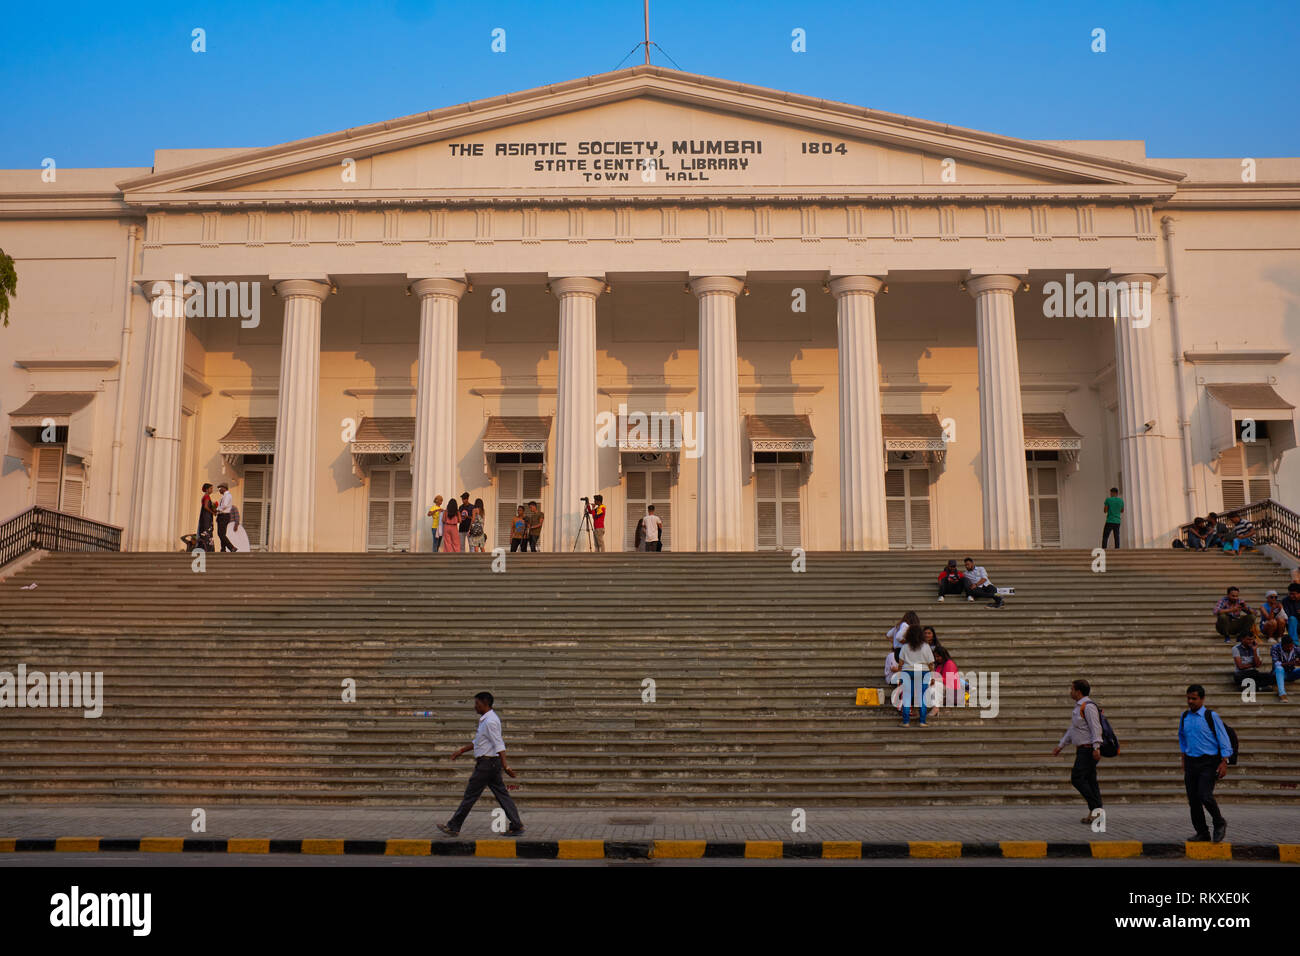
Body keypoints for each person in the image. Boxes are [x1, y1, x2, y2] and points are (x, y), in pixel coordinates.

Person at [437, 692, 524, 837]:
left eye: (477, 703)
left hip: (487, 764)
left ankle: (453, 826)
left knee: (470, 795)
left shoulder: (490, 721)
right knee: (502, 795)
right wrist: (461, 751)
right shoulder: (486, 720)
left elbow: (499, 743)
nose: (475, 707)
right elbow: (478, 742)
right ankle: (517, 825)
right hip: (490, 764)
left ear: (485, 703)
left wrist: (506, 766)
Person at [1178, 685, 1231, 843]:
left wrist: (1224, 762)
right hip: (1191, 762)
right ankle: (1202, 832)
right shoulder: (1184, 716)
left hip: (1209, 762)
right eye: (1188, 698)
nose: (1190, 701)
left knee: (1204, 795)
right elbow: (1182, 738)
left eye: (1194, 698)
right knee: (1193, 800)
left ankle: (1219, 822)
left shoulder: (1211, 716)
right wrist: (1183, 758)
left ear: (1202, 699)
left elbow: (1223, 738)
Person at [1051, 679, 1104, 824]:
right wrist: (1061, 745)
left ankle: (1096, 808)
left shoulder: (1088, 707)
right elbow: (1073, 729)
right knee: (1091, 781)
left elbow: (1096, 727)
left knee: (1077, 778)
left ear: (1078, 692)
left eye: (1072, 689)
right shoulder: (1079, 707)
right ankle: (1096, 812)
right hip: (1083, 749)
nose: (1070, 692)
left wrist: (1096, 747)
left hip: (1088, 750)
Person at [892, 627, 933, 727]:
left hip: (908, 670)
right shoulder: (926, 646)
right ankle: (922, 721)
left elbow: (900, 663)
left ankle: (906, 722)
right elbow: (931, 663)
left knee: (907, 696)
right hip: (922, 670)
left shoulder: (905, 646)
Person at [1271, 633, 1300, 702]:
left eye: (1291, 646)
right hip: (1278, 674)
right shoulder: (1275, 648)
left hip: (1291, 673)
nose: (1290, 648)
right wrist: (1292, 663)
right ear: (1282, 645)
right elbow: (1277, 664)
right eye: (1288, 647)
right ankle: (1282, 694)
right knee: (1279, 668)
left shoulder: (1295, 648)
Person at [215, 483, 235, 553]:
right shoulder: (224, 496)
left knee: (220, 534)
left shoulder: (227, 496)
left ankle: (232, 547)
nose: (219, 490)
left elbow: (224, 505)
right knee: (222, 534)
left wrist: (217, 509)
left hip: (224, 516)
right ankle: (223, 549)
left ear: (224, 488)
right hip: (222, 515)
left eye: (220, 488)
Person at [196, 483, 217, 552]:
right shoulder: (207, 496)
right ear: (207, 489)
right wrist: (212, 512)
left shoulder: (206, 496)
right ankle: (207, 548)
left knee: (206, 532)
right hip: (206, 517)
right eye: (211, 488)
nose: (212, 490)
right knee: (207, 531)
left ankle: (205, 547)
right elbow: (205, 506)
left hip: (205, 516)